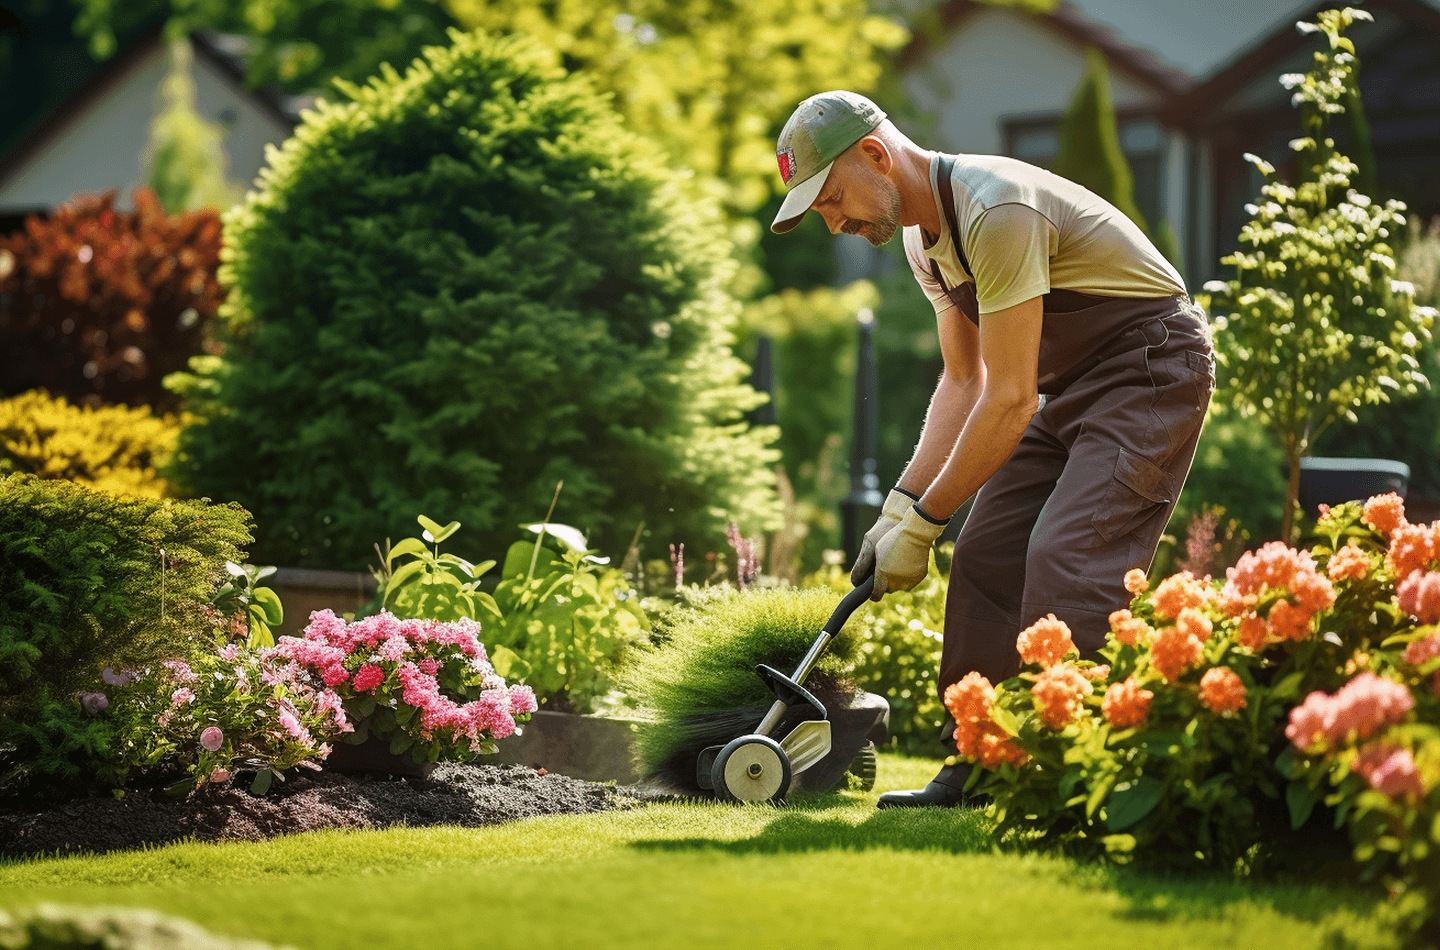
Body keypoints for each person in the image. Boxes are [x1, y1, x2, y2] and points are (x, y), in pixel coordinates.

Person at [770, 90, 1213, 807]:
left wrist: (926, 522)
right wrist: (903, 508)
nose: (835, 221)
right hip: (1067, 384)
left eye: (831, 198)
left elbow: (1008, 398)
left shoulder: (995, 209)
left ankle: (1076, 769)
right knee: (985, 556)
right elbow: (964, 381)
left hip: (1152, 368)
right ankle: (980, 759)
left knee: (1069, 554)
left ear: (876, 156)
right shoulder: (925, 243)